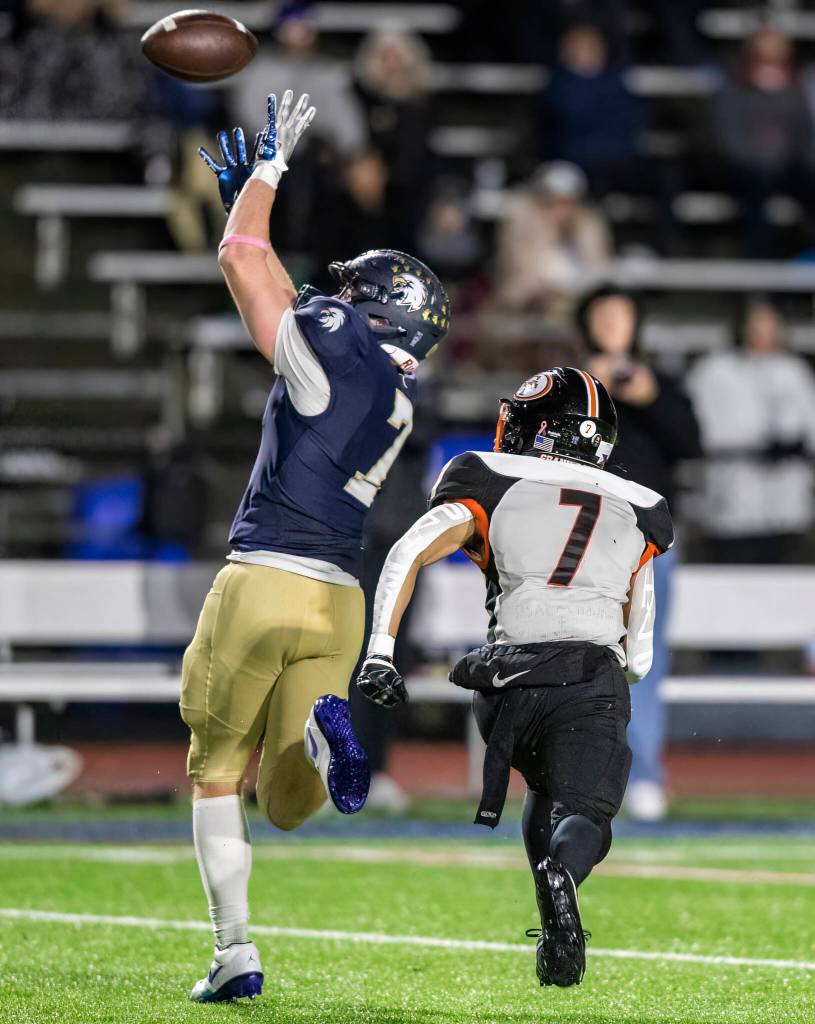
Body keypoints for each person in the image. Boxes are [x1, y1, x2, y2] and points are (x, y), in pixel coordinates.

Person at [184, 90, 451, 1003]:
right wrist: (245, 204)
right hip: (340, 596)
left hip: (262, 575)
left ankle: (234, 953)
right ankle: (318, 742)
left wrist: (265, 172)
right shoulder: (398, 393)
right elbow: (285, 299)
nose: (332, 295)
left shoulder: (336, 337)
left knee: (215, 770)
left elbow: (243, 261)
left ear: (367, 309)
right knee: (287, 802)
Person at [355, 366, 673, 988]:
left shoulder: (487, 475)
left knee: (541, 789)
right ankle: (564, 876)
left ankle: (553, 923)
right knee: (587, 812)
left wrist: (380, 652)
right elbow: (639, 655)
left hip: (502, 683)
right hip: (586, 675)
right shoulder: (640, 506)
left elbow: (406, 552)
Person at [576, 285, 701, 820]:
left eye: (621, 314)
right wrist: (590, 393)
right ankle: (579, 774)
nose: (611, 323)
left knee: (643, 661)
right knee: (578, 655)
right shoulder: (570, 384)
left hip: (647, 540)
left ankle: (645, 773)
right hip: (580, 538)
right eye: (601, 314)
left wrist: (650, 398)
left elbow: (691, 441)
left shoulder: (661, 383)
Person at [688, 299, 815, 563]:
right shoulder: (714, 370)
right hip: (732, 505)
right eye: (755, 324)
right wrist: (755, 442)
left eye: (769, 325)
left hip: (786, 507)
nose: (762, 333)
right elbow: (699, 429)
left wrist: (793, 444)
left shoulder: (795, 371)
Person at [712, 26, 815, 257]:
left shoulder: (794, 86)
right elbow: (729, 137)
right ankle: (759, 268)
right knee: (755, 197)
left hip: (787, 167)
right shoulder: (733, 86)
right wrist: (758, 162)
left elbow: (804, 134)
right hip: (747, 168)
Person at [494, 162, 611, 318]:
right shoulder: (523, 222)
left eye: (569, 203)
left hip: (579, 308)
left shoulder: (588, 225)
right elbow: (521, 278)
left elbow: (600, 272)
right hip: (533, 309)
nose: (562, 210)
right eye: (553, 203)